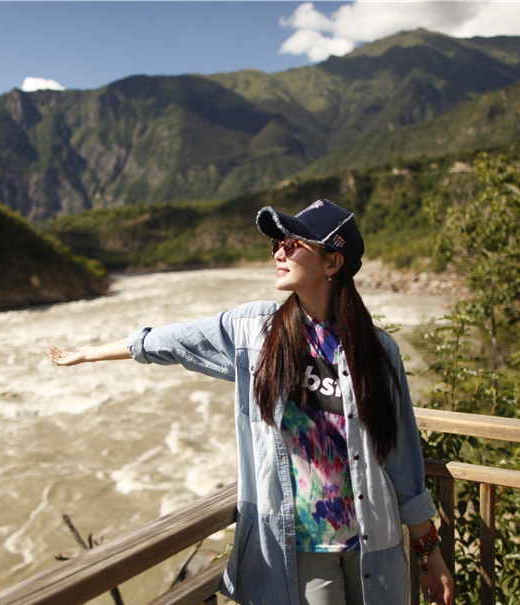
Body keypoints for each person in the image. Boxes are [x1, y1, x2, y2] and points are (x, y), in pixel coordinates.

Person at [47, 199, 454, 605]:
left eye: (294, 243)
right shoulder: (255, 333)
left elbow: (401, 458)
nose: (279, 251)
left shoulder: (378, 351)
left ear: (333, 262)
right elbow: (174, 340)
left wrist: (428, 551)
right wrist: (91, 352)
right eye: (277, 242)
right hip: (302, 552)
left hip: (375, 545)